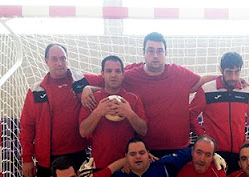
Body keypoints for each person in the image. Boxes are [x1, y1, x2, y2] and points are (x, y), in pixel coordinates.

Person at [82, 32, 217, 157]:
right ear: (144, 53)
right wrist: (87, 88)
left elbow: (201, 81)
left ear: (166, 53)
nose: (155, 55)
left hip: (179, 149)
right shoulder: (129, 75)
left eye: (160, 51)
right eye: (151, 51)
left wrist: (229, 78)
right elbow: (107, 82)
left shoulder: (180, 73)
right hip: (144, 152)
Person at [79, 55, 147, 177]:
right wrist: (99, 111)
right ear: (102, 74)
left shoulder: (133, 99)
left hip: (128, 167)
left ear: (123, 73)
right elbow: (83, 131)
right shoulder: (94, 99)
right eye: (109, 71)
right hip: (101, 166)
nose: (113, 75)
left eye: (117, 71)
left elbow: (143, 130)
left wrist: (130, 113)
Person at [20, 43, 90, 177]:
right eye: (54, 59)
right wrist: (26, 158)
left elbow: (108, 83)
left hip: (78, 155)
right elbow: (27, 127)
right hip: (48, 160)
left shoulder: (81, 82)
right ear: (46, 61)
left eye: (63, 58)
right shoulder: (36, 91)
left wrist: (90, 88)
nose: (59, 63)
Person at [189, 52, 249, 174]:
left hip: (239, 152)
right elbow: (190, 115)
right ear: (221, 69)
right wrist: (203, 136)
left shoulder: (246, 90)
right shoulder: (207, 89)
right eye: (229, 72)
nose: (233, 77)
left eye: (237, 72)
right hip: (215, 152)